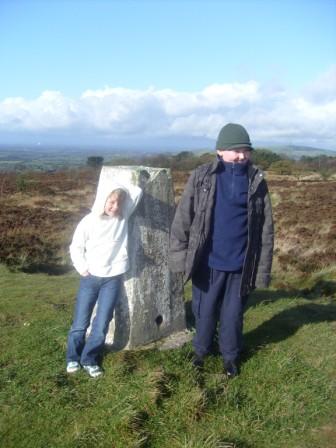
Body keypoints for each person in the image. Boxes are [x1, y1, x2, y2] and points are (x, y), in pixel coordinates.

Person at [169, 123, 274, 378]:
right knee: (204, 313)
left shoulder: (256, 180)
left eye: (246, 150)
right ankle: (201, 352)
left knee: (233, 316)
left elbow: (266, 229)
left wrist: (262, 270)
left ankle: (230, 357)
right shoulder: (203, 176)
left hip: (241, 265)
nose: (241, 155)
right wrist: (179, 258)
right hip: (208, 263)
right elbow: (183, 218)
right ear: (219, 151)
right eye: (235, 150)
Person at [66, 182, 142, 378]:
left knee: (102, 323)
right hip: (90, 277)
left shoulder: (123, 217)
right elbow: (76, 247)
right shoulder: (89, 221)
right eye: (111, 201)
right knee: (81, 322)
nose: (115, 207)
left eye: (119, 203)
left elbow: (136, 191)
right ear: (104, 200)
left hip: (113, 279)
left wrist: (119, 189)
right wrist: (82, 268)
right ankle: (72, 358)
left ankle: (89, 359)